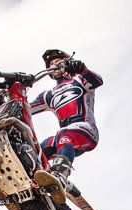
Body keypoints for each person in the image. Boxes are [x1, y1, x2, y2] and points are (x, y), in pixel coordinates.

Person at [29, 49, 103, 194]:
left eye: (57, 62)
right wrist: (4, 100)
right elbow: (25, 109)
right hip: (64, 138)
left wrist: (82, 68)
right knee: (36, 151)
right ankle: (29, 184)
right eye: (50, 64)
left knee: (63, 133)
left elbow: (97, 81)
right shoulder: (48, 95)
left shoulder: (80, 80)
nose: (53, 65)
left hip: (87, 130)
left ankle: (61, 175)